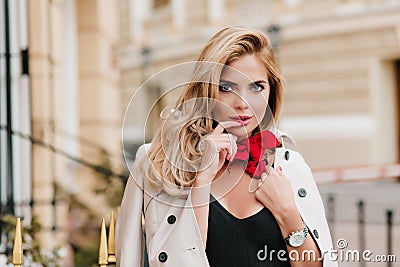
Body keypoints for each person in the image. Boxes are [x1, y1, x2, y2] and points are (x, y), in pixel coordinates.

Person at [116, 27, 337, 267]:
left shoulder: (292, 166)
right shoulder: (156, 163)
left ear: (271, 92)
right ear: (206, 90)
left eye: (256, 87)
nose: (242, 104)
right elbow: (132, 259)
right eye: (226, 87)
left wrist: (287, 212)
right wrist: (201, 181)